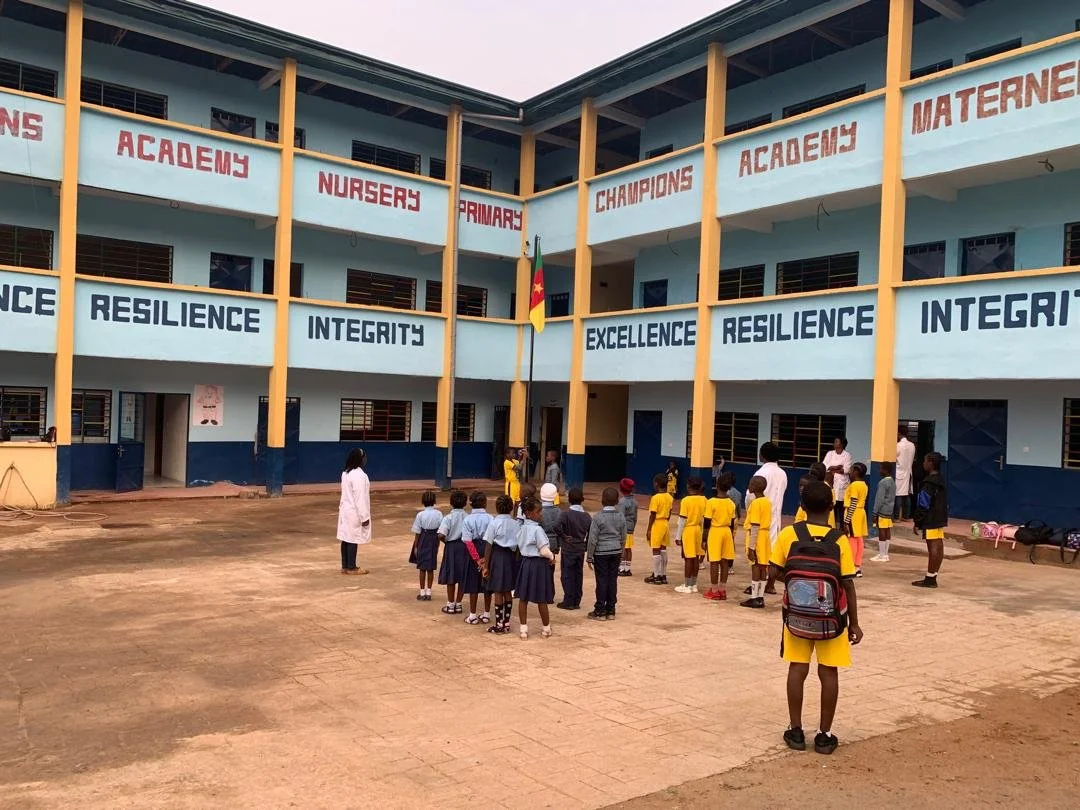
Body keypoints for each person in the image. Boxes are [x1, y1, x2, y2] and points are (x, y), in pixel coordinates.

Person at [770, 480, 862, 756]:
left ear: (801, 506)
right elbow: (847, 583)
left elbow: (772, 572)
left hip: (796, 618)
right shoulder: (839, 540)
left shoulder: (789, 534)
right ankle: (824, 735)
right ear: (832, 507)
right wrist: (854, 623)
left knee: (797, 669)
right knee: (828, 672)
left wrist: (798, 587)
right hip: (833, 619)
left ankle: (796, 730)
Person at [515, 496, 556, 639]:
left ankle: (523, 629)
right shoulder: (537, 530)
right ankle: (546, 628)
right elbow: (544, 550)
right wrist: (551, 557)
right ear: (529, 513)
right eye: (538, 512)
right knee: (541, 598)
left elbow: (518, 546)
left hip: (525, 563)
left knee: (523, 598)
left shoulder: (521, 528)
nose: (541, 514)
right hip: (539, 565)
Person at [481, 495, 520, 634]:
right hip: (510, 557)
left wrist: (486, 565)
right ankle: (507, 623)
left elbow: (489, 545)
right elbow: (518, 545)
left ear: (497, 508)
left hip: (497, 556)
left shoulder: (494, 523)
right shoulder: (515, 523)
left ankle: (498, 624)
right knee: (507, 590)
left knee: (498, 590)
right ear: (510, 508)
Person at [753, 442, 788, 595]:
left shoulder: (761, 473)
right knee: (773, 553)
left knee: (758, 554)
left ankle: (758, 586)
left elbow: (750, 496)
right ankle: (770, 585)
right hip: (775, 516)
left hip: (760, 517)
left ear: (762, 456)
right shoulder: (782, 473)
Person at [587, 487, 627, 620]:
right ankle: (611, 610)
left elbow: (592, 539)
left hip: (601, 553)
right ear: (617, 501)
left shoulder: (598, 518)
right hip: (615, 551)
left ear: (602, 500)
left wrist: (589, 556)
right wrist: (621, 551)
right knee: (612, 580)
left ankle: (600, 610)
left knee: (601, 581)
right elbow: (623, 536)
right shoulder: (620, 516)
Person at [912, 452, 948, 589]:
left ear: (931, 463)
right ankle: (933, 575)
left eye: (925, 461)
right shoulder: (940, 479)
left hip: (931, 518)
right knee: (939, 545)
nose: (923, 463)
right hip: (940, 517)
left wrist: (917, 521)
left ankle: (930, 578)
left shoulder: (929, 482)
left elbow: (923, 503)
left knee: (933, 546)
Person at [336, 448, 371, 576]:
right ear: (359, 459)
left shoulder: (345, 473)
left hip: (346, 510)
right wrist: (364, 517)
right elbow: (360, 498)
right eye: (364, 457)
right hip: (354, 512)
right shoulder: (359, 476)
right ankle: (352, 567)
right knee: (352, 538)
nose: (365, 460)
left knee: (345, 538)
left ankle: (345, 566)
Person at [555, 486, 591, 610]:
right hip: (580, 548)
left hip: (568, 548)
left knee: (567, 574)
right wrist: (585, 545)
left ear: (569, 499)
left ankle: (569, 600)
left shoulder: (566, 514)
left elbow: (556, 526)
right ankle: (576, 600)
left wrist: (564, 536)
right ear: (583, 499)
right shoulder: (587, 516)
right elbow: (590, 533)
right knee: (578, 574)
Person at [703, 472, 737, 600]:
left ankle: (714, 590)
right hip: (727, 532)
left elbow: (707, 523)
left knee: (714, 561)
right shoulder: (731, 503)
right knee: (725, 562)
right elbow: (733, 523)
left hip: (715, 531)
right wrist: (731, 538)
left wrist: (704, 539)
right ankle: (723, 589)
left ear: (716, 486)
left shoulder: (711, 502)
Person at [461, 491, 494, 625]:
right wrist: (485, 559)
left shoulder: (467, 519)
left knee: (473, 583)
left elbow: (468, 542)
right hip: (488, 549)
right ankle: (486, 614)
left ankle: (473, 615)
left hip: (473, 551)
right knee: (487, 581)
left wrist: (476, 559)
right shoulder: (491, 518)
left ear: (470, 505)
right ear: (485, 503)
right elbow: (492, 539)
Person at [740, 475, 772, 609]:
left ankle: (754, 597)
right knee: (763, 566)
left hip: (757, 537)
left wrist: (752, 547)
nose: (749, 485)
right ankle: (760, 597)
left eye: (751, 483)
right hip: (765, 537)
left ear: (756, 487)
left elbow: (754, 526)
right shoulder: (767, 501)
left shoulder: (756, 503)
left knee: (755, 566)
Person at [437, 490, 469, 614]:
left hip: (451, 547)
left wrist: (447, 542)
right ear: (465, 503)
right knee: (462, 576)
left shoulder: (448, 518)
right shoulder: (468, 517)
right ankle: (459, 604)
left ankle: (450, 605)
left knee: (451, 575)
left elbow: (440, 535)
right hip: (465, 546)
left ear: (451, 503)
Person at [674, 476, 707, 594]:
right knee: (696, 558)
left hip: (688, 530)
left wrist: (678, 536)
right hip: (699, 529)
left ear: (688, 486)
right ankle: (694, 584)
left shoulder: (686, 500)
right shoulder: (704, 499)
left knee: (688, 558)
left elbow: (682, 520)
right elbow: (704, 518)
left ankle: (687, 585)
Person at [410, 490, 442, 600]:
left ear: (423, 502)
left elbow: (417, 532)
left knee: (422, 568)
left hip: (423, 538)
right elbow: (440, 530)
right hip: (434, 539)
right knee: (431, 567)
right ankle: (429, 592)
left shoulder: (420, 515)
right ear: (434, 501)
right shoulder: (438, 514)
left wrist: (416, 546)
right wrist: (438, 544)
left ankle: (422, 592)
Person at [644, 473, 673, 585]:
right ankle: (663, 575)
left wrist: (649, 529)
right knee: (663, 548)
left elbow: (653, 515)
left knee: (655, 549)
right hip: (665, 522)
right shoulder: (670, 497)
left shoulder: (655, 498)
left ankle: (656, 576)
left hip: (657, 523)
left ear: (656, 484)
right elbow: (670, 512)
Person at [843, 463, 869, 578]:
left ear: (856, 472)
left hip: (853, 514)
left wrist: (846, 520)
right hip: (861, 513)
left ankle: (851, 566)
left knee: (852, 541)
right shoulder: (864, 485)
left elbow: (853, 503)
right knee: (859, 540)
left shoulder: (854, 485)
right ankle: (857, 567)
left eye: (851, 470)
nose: (849, 472)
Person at [823, 437, 853, 529]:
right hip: (831, 483)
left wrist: (832, 469)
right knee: (832, 508)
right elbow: (824, 465)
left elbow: (846, 469)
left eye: (836, 441)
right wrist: (836, 467)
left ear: (842, 444)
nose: (834, 443)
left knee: (841, 508)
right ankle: (831, 527)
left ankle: (841, 528)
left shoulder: (847, 455)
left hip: (842, 485)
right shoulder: (830, 454)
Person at [871, 462, 895, 563]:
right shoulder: (892, 481)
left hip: (882, 510)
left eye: (880, 469)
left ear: (885, 470)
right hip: (889, 510)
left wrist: (874, 512)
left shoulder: (883, 482)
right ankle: (885, 553)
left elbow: (879, 499)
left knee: (882, 530)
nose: (879, 471)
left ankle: (882, 555)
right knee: (887, 530)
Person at [617, 478, 637, 577]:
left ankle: (622, 568)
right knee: (628, 549)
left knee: (623, 549)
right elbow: (635, 517)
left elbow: (620, 517)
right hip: (631, 527)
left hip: (623, 528)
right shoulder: (634, 501)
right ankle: (628, 569)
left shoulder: (622, 502)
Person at [895, 428, 916, 521]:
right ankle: (906, 516)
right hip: (909, 472)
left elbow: (893, 457)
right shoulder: (912, 445)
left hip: (899, 472)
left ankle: (896, 516)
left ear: (899, 434)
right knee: (906, 494)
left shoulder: (898, 445)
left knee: (898, 495)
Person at [539, 483, 562, 555]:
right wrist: (558, 545)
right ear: (555, 496)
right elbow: (560, 530)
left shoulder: (537, 511)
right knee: (551, 564)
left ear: (541, 494)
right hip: (553, 544)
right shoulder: (559, 511)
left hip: (540, 543)